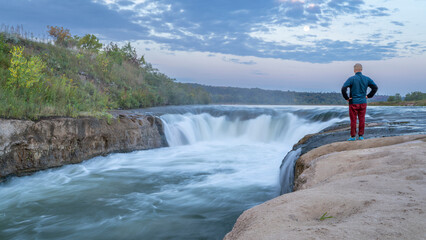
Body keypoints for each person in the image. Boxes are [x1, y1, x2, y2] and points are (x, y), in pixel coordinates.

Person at [341, 63, 378, 141]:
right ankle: (361, 136)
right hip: (363, 102)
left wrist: (347, 98)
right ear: (361, 70)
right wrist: (368, 96)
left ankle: (353, 137)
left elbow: (343, 89)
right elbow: (375, 88)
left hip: (353, 102)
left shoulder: (351, 79)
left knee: (353, 120)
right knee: (362, 119)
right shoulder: (367, 79)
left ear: (354, 70)